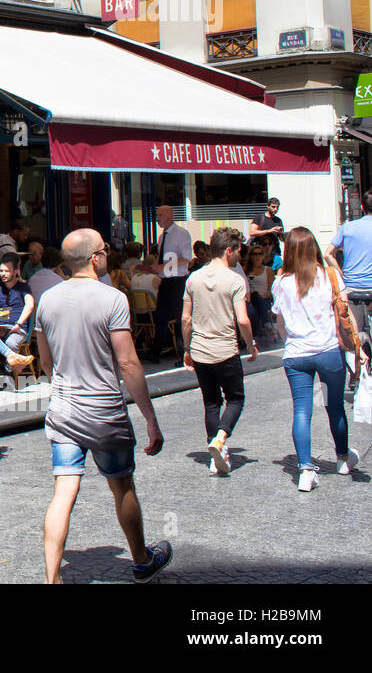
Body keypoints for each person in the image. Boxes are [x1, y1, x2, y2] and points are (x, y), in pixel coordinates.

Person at [36, 229, 171, 584]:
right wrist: (150, 419)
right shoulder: (112, 299)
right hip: (104, 411)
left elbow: (46, 364)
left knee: (63, 492)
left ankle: (52, 579)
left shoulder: (47, 300)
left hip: (64, 409)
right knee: (122, 485)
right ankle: (141, 561)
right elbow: (128, 364)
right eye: (105, 249)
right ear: (95, 257)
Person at [272, 227, 358, 492]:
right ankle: (343, 458)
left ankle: (305, 469)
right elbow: (344, 313)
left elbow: (280, 324)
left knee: (301, 411)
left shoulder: (281, 282)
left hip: (297, 354)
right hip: (329, 351)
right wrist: (358, 349)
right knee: (335, 407)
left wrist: (292, 339)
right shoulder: (329, 276)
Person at [181, 227, 255, 477]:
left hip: (200, 351)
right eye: (238, 251)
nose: (239, 256)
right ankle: (221, 438)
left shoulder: (193, 279)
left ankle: (216, 454)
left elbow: (186, 319)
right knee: (236, 399)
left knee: (211, 402)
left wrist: (187, 348)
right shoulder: (235, 280)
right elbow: (243, 320)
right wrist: (252, 344)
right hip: (225, 350)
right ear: (228, 250)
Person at [325, 190, 372, 366]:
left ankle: (356, 368)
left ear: (361, 208)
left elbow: (328, 254)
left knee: (352, 330)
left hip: (351, 288)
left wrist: (340, 274)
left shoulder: (347, 228)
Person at [152, 205, 193, 359]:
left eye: (160, 215)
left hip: (178, 281)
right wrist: (159, 272)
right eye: (157, 214)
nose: (157, 218)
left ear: (170, 216)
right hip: (166, 281)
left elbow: (186, 258)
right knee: (160, 317)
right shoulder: (162, 237)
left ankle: (185, 352)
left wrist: (163, 267)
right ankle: (156, 351)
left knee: (180, 316)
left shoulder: (181, 234)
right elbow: (161, 258)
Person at [0, 255, 36, 361]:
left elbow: (30, 305)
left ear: (15, 272)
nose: (3, 274)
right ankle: (0, 368)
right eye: (1, 271)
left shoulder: (23, 288)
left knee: (11, 343)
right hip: (1, 328)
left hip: (18, 329)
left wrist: (18, 324)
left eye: (7, 271)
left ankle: (9, 372)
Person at [243, 245, 274, 348]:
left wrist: (263, 295)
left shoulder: (268, 270)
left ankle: (259, 332)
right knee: (255, 297)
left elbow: (270, 291)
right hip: (250, 298)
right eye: (254, 254)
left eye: (260, 253)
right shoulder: (246, 270)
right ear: (250, 256)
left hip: (264, 299)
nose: (257, 256)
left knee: (258, 298)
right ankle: (267, 324)